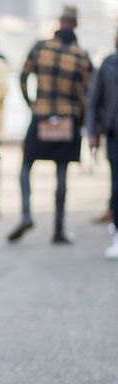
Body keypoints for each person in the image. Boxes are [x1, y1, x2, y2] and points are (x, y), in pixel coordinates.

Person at [8, 6, 93, 244]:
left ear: (59, 22)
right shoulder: (81, 55)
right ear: (75, 25)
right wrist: (82, 119)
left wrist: (31, 103)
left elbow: (24, 78)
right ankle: (58, 230)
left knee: (26, 166)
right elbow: (88, 92)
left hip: (41, 114)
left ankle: (26, 214)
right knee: (62, 172)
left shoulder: (41, 47)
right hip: (68, 118)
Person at [87, 29, 118, 259]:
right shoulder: (108, 64)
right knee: (116, 185)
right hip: (114, 133)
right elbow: (94, 100)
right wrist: (92, 133)